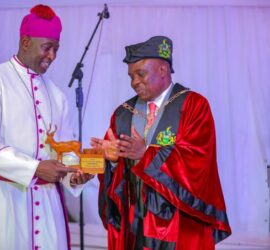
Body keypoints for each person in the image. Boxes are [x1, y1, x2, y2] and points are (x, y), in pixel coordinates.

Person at [0, 4, 93, 250]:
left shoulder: (56, 95)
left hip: (47, 205)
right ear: (25, 42)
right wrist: (35, 168)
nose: (53, 56)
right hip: (5, 200)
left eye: (56, 49)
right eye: (47, 47)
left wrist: (76, 176)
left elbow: (63, 150)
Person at [91, 36, 232, 250]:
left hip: (179, 226)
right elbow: (118, 180)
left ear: (163, 71)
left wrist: (146, 152)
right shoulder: (123, 114)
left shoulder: (193, 105)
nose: (134, 82)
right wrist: (111, 161)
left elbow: (198, 161)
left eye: (141, 74)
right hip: (136, 226)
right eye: (131, 76)